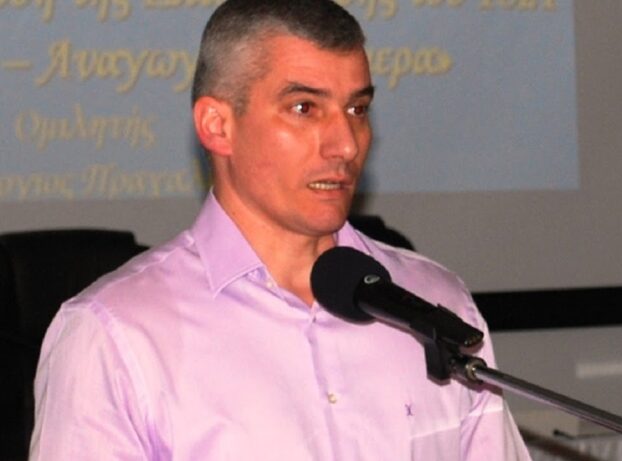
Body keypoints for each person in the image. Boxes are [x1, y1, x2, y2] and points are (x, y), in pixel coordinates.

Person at [30, 0, 532, 459]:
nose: (346, 145)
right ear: (217, 126)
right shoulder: (115, 336)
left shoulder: (437, 306)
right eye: (304, 108)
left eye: (357, 109)